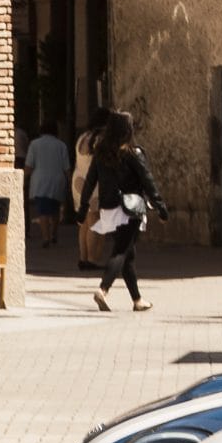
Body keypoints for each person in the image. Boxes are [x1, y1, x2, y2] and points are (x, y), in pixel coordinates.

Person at [76, 110, 167, 313]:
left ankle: (137, 299)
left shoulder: (100, 152)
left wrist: (83, 209)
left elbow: (91, 181)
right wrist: (160, 206)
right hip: (130, 208)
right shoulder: (133, 153)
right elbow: (148, 181)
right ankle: (103, 289)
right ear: (128, 129)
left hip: (109, 208)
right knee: (120, 252)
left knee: (128, 254)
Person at [72, 108, 109, 271]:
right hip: (93, 182)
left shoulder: (82, 137)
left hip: (78, 181)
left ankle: (83, 257)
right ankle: (93, 259)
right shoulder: (100, 139)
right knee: (95, 220)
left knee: (85, 222)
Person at [24, 121, 72, 247]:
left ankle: (46, 237)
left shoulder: (34, 144)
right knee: (55, 209)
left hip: (40, 182)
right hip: (57, 181)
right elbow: (66, 167)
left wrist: (24, 178)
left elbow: (29, 165)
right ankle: (54, 234)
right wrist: (69, 180)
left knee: (42, 211)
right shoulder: (61, 145)